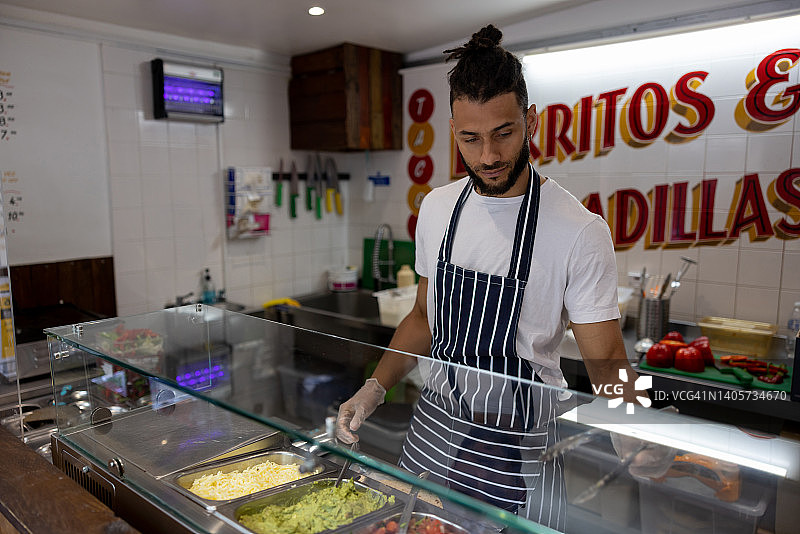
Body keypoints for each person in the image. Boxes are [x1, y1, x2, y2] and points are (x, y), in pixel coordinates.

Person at [336, 24, 648, 530]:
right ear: (453, 131)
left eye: (503, 133)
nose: (488, 157)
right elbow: (423, 318)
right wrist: (374, 388)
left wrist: (636, 428)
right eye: (470, 138)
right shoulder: (437, 209)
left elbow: (608, 359)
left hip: (522, 444)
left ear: (530, 122)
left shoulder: (579, 230)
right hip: (435, 430)